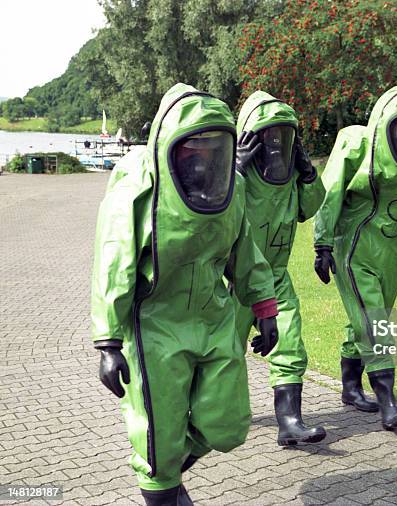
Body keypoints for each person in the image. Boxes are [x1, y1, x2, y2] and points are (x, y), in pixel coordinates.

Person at [91, 83, 279, 506]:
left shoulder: (230, 191)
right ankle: (163, 484)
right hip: (155, 327)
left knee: (227, 423)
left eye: (213, 150)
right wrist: (108, 341)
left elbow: (244, 250)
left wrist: (266, 308)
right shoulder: (139, 192)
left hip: (214, 320)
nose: (203, 161)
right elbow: (113, 261)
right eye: (193, 150)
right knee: (158, 441)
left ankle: (169, 473)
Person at [313, 87, 397, 431]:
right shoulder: (358, 147)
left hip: (394, 252)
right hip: (355, 249)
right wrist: (323, 245)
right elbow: (329, 194)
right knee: (374, 319)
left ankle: (349, 388)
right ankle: (388, 401)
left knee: (366, 318)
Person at [232, 90, 327, 446]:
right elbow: (215, 217)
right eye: (268, 137)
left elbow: (309, 209)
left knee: (290, 345)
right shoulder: (234, 177)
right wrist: (234, 173)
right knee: (224, 353)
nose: (275, 145)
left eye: (282, 137)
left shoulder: (289, 178)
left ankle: (290, 421)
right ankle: (203, 418)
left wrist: (307, 175)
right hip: (235, 282)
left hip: (275, 277)